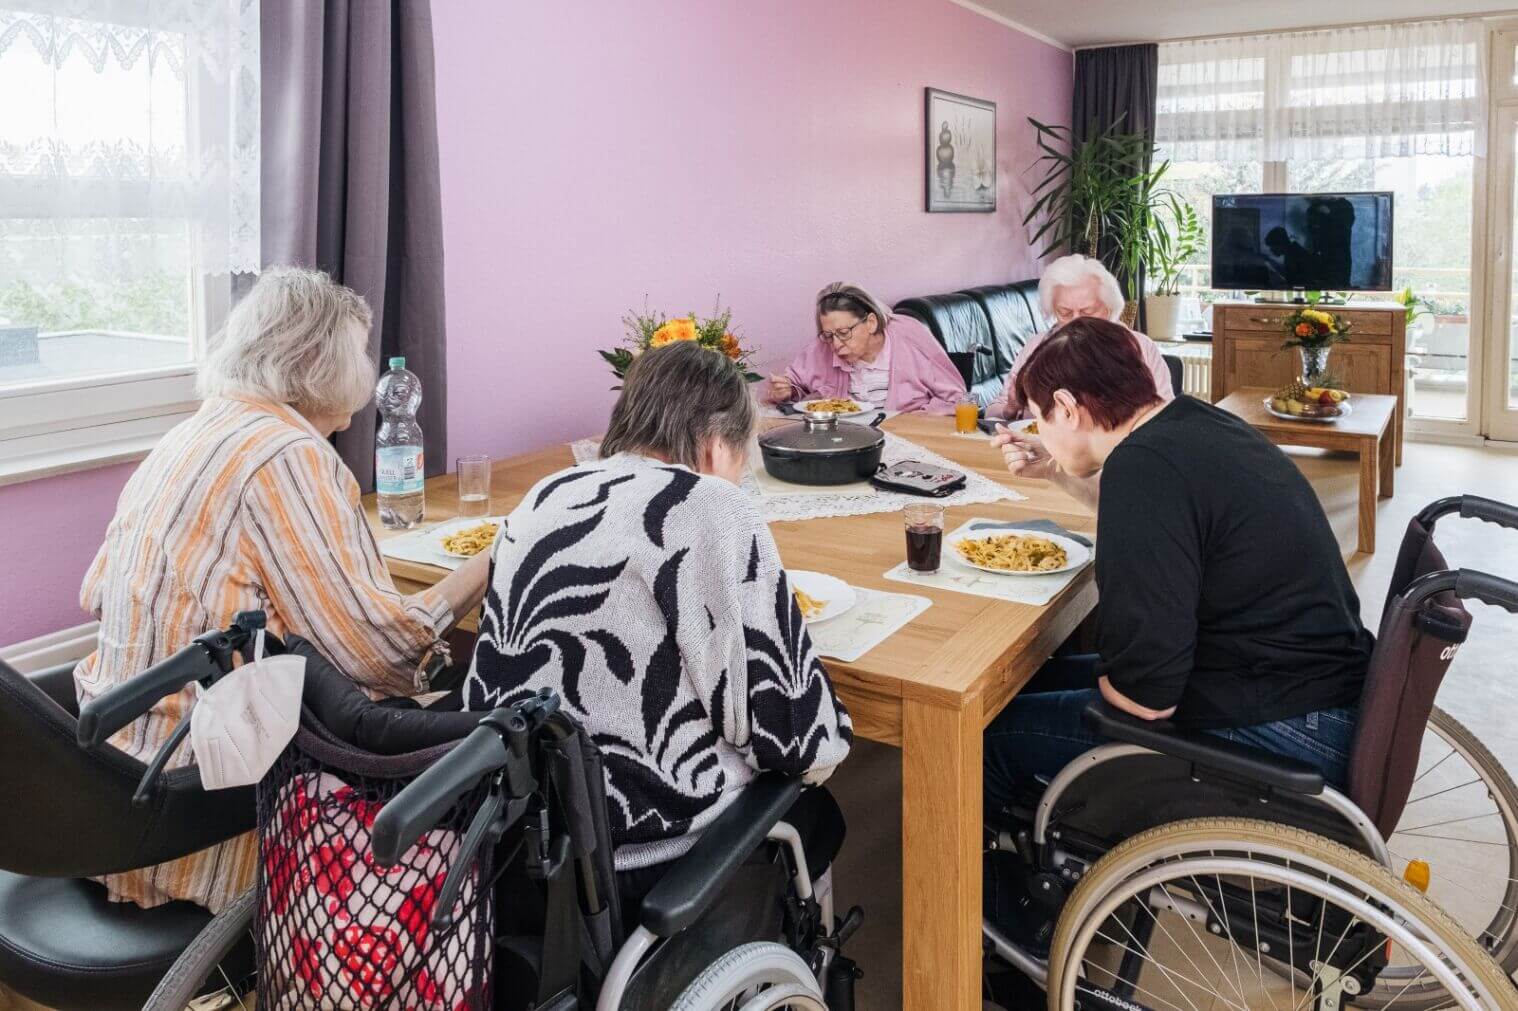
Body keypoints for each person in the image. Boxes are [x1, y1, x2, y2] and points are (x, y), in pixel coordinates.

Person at [74, 267, 489, 912]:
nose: (369, 369)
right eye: (358, 351)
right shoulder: (286, 456)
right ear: (318, 363)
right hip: (196, 818)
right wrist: (493, 560)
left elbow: (95, 589)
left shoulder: (194, 433)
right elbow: (382, 652)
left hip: (104, 794)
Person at [982, 316, 1372, 938]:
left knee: (987, 739)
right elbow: (1164, 522)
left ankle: (1016, 932)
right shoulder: (1194, 426)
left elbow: (1145, 695)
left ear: (1067, 406)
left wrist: (1104, 691)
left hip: (1283, 727)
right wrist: (1059, 472)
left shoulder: (1144, 470)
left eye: (1039, 417)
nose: (1038, 433)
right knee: (1034, 683)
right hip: (1321, 693)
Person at [466, 340, 853, 909]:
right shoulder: (712, 506)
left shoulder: (544, 493)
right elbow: (797, 741)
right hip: (650, 860)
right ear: (714, 441)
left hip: (520, 846)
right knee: (823, 815)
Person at [985, 255, 1173, 420]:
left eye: (1087, 311)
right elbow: (992, 412)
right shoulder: (1037, 346)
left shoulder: (1139, 347)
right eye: (1064, 312)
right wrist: (1011, 408)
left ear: (1109, 308)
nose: (1076, 322)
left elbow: (1165, 415)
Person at [767, 282, 966, 414]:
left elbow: (956, 398)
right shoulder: (824, 346)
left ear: (870, 322)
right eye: (828, 335)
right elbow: (794, 384)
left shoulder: (910, 336)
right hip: (846, 441)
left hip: (909, 439)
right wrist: (785, 391)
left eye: (844, 333)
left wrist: (915, 420)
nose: (835, 344)